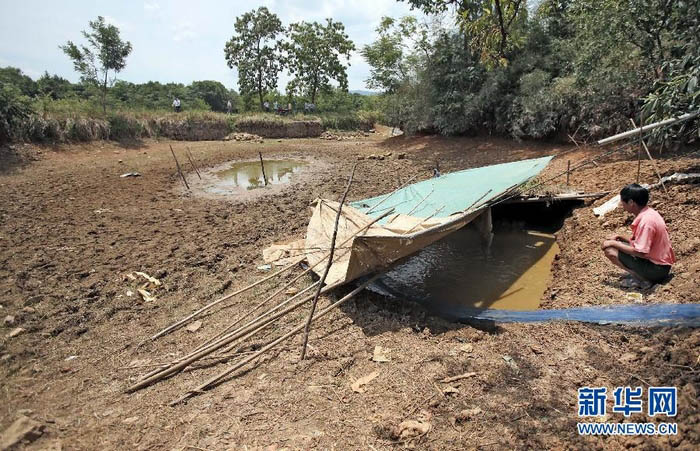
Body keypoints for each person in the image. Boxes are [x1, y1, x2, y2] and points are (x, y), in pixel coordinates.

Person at [601, 183, 675, 288]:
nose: (622, 205)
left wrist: (613, 243)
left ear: (631, 202)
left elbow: (641, 252)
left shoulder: (646, 222)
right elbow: (639, 243)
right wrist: (620, 237)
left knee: (610, 250)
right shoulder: (650, 213)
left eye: (623, 202)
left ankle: (641, 279)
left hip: (657, 270)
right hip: (659, 264)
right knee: (618, 245)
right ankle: (642, 274)